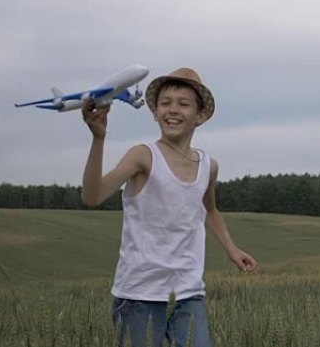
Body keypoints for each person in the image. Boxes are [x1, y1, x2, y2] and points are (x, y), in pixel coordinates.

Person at [81, 67, 257, 347]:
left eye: (183, 104)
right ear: (154, 112)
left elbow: (209, 211)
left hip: (188, 292)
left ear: (199, 116)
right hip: (139, 295)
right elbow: (92, 196)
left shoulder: (208, 166)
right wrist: (98, 138)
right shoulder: (143, 156)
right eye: (165, 103)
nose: (172, 110)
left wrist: (232, 250)